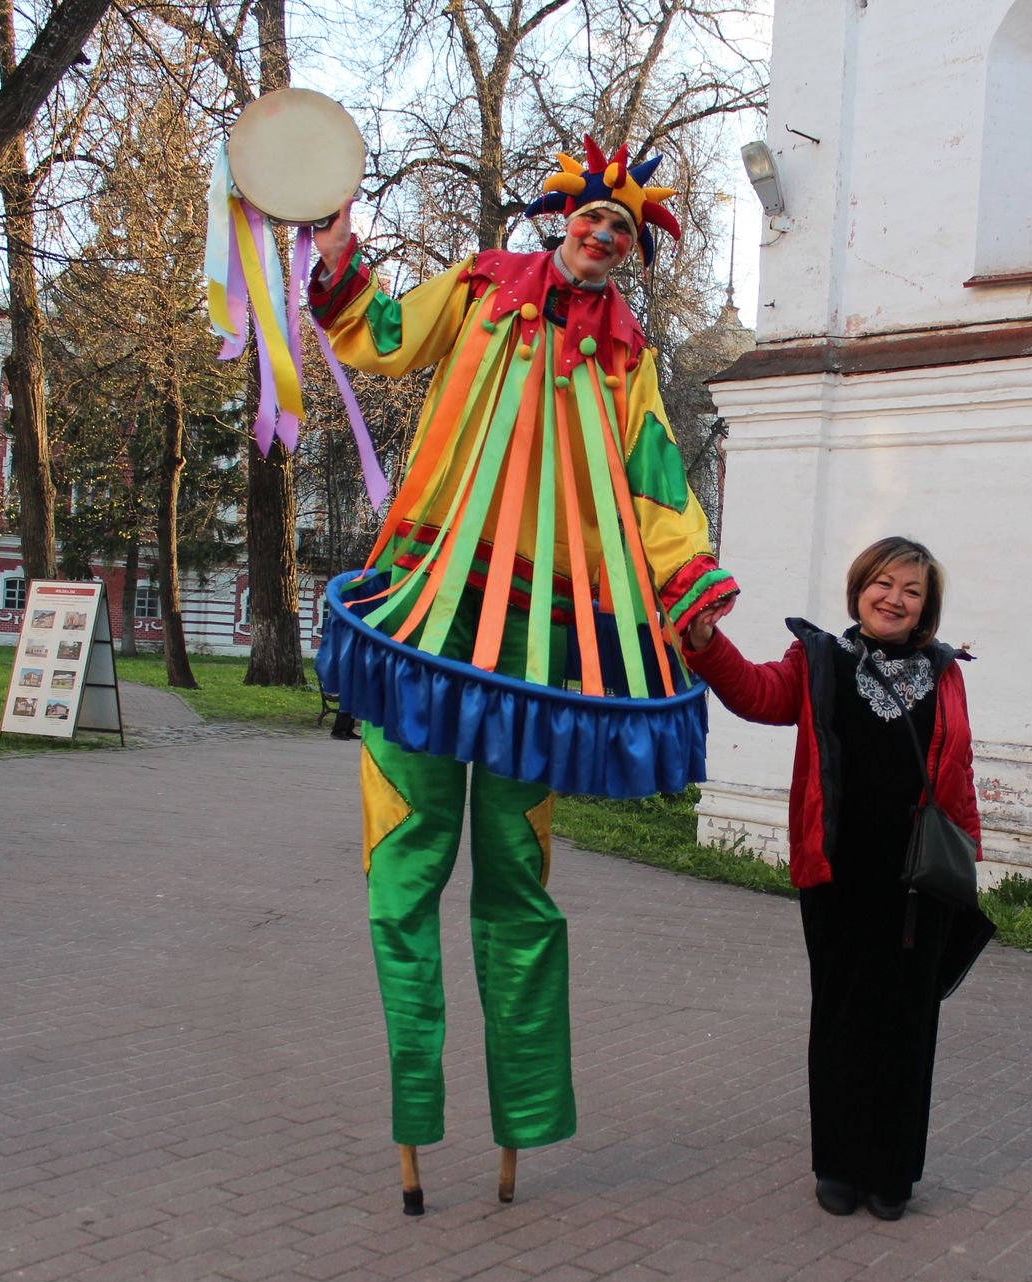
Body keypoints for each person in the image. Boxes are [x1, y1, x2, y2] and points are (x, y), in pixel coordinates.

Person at [307, 133, 737, 1212]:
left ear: (630, 253)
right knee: (402, 883)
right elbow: (386, 335)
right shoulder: (482, 286)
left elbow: (655, 488)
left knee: (518, 894)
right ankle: (414, 1120)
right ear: (560, 221)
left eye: (621, 231)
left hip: (541, 653)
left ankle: (522, 1120)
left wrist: (691, 594)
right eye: (590, 219)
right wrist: (336, 255)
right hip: (426, 617)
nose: (599, 236)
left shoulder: (628, 358)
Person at [681, 536, 990, 1222]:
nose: (894, 598)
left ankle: (892, 1175)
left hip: (918, 885)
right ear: (859, 591)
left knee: (908, 1024)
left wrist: (964, 860)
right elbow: (758, 694)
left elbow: (958, 773)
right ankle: (839, 1167)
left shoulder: (945, 672)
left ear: (925, 606)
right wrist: (705, 643)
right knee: (843, 1016)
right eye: (883, 583)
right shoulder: (819, 659)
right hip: (837, 874)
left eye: (911, 590)